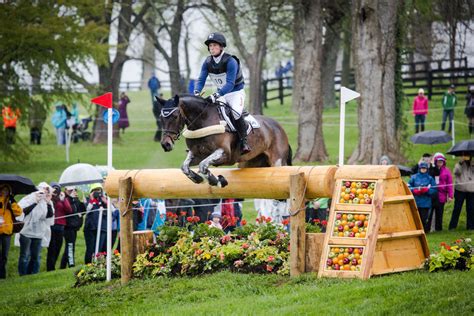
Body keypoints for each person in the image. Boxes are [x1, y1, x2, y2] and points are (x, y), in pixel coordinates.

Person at [194, 32, 250, 154]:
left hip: (235, 92)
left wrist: (216, 95)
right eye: (210, 46)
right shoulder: (208, 62)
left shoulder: (231, 61)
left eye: (214, 45)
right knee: (209, 111)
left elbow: (230, 83)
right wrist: (197, 92)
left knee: (235, 113)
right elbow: (201, 79)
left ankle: (244, 141)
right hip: (222, 93)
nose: (211, 48)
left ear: (221, 47)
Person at [17, 182, 54, 276]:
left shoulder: (47, 202)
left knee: (35, 256)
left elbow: (49, 216)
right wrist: (35, 202)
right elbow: (22, 212)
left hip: (39, 233)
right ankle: (23, 275)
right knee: (24, 255)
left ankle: (33, 274)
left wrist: (48, 202)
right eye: (43, 190)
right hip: (26, 232)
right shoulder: (29, 199)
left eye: (47, 191)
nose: (44, 193)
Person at [47, 183, 72, 271]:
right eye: (54, 189)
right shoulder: (49, 198)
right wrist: (50, 196)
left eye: (57, 189)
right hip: (51, 226)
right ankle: (50, 268)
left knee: (58, 247)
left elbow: (69, 210)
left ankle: (53, 266)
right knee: (52, 248)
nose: (56, 191)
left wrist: (64, 199)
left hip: (60, 226)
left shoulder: (61, 199)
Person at [0, 184, 22, 278]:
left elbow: (19, 212)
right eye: (3, 190)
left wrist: (12, 202)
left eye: (7, 190)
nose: (5, 192)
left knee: (4, 255)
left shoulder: (10, 201)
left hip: (7, 232)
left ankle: (2, 275)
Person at [408, 162, 437, 232]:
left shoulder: (430, 178)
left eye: (424, 168)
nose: (423, 169)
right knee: (416, 218)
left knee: (424, 218)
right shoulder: (414, 177)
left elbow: (434, 189)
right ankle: (416, 231)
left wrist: (427, 190)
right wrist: (414, 191)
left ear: (427, 169)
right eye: (422, 168)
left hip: (426, 202)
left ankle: (423, 232)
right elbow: (408, 187)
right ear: (419, 168)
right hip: (416, 201)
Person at [60, 186, 84, 269]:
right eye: (70, 190)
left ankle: (62, 266)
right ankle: (71, 265)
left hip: (75, 227)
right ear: (66, 190)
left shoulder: (75, 199)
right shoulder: (65, 199)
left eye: (74, 190)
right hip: (68, 227)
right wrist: (72, 199)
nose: (73, 191)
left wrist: (82, 203)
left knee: (69, 246)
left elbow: (82, 212)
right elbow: (70, 210)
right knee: (70, 246)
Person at [428, 154, 453, 232]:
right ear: (435, 161)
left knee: (439, 213)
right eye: (438, 161)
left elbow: (450, 184)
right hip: (432, 195)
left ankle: (438, 229)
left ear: (443, 162)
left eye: (441, 161)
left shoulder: (447, 171)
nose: (439, 163)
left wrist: (450, 196)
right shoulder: (431, 169)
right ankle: (427, 229)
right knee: (429, 213)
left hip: (441, 195)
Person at [83, 183, 107, 264]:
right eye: (95, 190)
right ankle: (88, 265)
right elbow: (87, 210)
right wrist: (92, 199)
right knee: (90, 248)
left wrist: (106, 202)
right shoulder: (87, 199)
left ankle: (97, 265)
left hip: (101, 228)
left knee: (99, 249)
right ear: (91, 191)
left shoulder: (103, 200)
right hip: (90, 228)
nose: (98, 192)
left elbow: (112, 211)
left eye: (99, 190)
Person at [449, 154, 474, 230]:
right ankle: (452, 226)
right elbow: (456, 172)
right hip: (460, 189)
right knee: (457, 208)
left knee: (471, 209)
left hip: (471, 189)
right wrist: (460, 163)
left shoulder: (472, 164)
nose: (467, 157)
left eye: (468, 156)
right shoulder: (459, 164)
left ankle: (470, 226)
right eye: (465, 156)